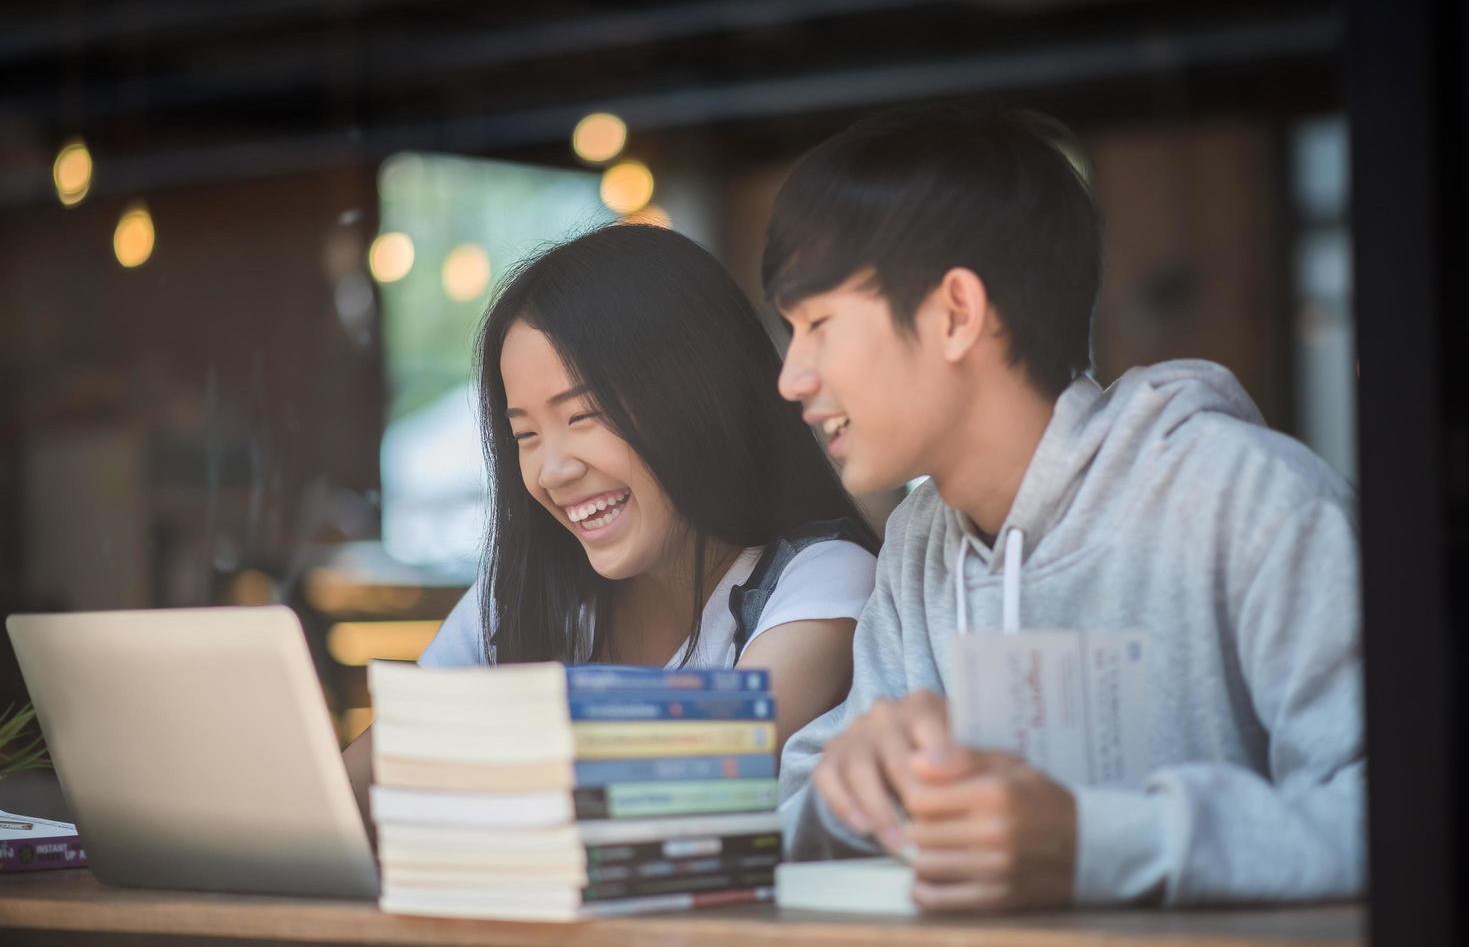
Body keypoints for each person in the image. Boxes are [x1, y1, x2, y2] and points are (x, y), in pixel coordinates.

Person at [766, 106, 1363, 910]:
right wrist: (854, 784)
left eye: (818, 325)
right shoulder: (919, 546)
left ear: (954, 313)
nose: (791, 377)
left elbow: (1394, 809)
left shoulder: (1252, 502)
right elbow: (796, 810)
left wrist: (1095, 841)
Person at [345, 224, 879, 821]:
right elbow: (349, 793)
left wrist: (463, 746)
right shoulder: (516, 595)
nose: (552, 470)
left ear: (697, 398)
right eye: (525, 434)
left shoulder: (822, 579)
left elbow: (703, 763)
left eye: (583, 416)